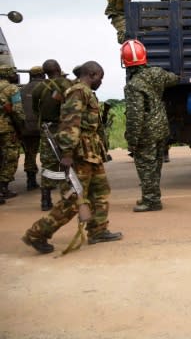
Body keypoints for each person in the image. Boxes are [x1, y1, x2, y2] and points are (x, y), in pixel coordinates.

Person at [22, 61, 122, 254]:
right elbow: (70, 123)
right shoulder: (78, 92)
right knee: (73, 200)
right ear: (92, 74)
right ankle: (37, 233)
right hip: (80, 155)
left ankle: (98, 230)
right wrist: (67, 153)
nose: (101, 82)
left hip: (92, 154)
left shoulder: (84, 92)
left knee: (100, 192)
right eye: (100, 78)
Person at [122, 39, 179, 212]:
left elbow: (135, 116)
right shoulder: (157, 73)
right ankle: (152, 196)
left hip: (146, 132)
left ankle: (151, 200)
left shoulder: (133, 86)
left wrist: (132, 139)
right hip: (161, 128)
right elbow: (174, 79)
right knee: (156, 165)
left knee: (146, 167)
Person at [32, 59, 73, 211]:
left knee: (48, 165)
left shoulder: (38, 89)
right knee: (70, 161)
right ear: (59, 68)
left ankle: (45, 200)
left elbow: (36, 110)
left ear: (45, 73)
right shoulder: (69, 84)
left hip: (48, 131)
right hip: (67, 129)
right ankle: (70, 197)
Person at [0, 65, 25, 202]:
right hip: (7, 129)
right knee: (10, 157)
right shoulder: (12, 89)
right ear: (9, 74)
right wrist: (20, 128)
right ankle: (3, 188)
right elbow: (18, 111)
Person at [20, 66, 45, 191]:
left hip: (25, 128)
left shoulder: (22, 89)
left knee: (30, 153)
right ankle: (52, 182)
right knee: (49, 155)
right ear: (42, 75)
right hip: (44, 127)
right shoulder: (47, 88)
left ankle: (31, 180)